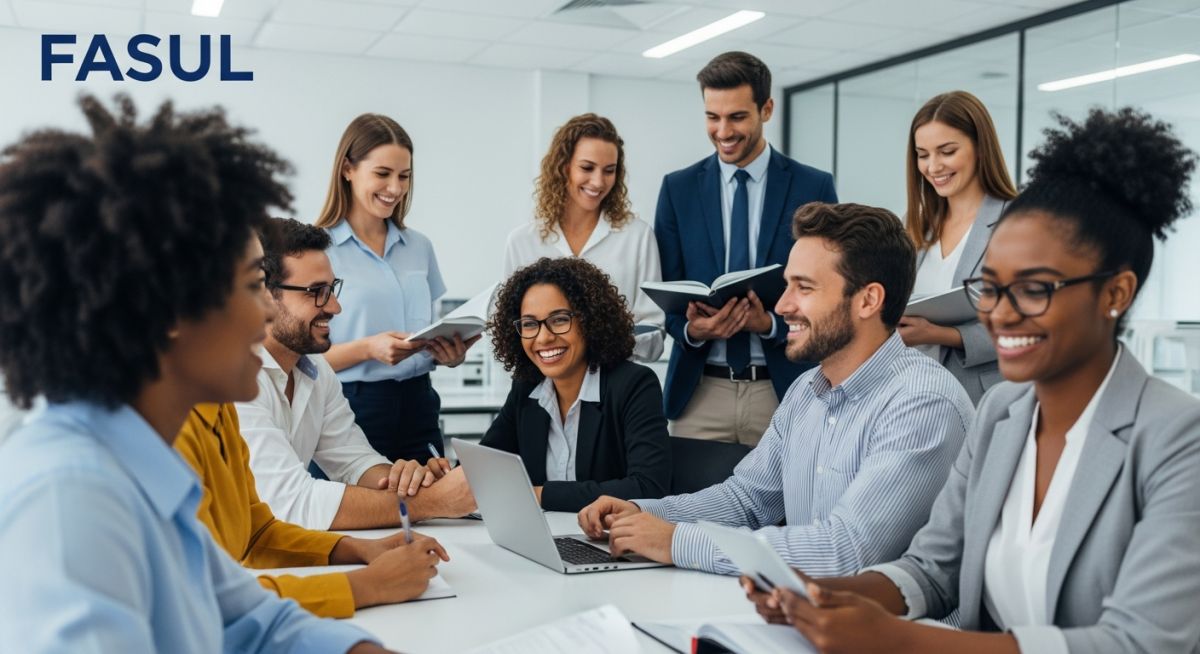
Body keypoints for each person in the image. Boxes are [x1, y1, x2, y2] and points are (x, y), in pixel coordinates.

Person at [749, 109, 1200, 654]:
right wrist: (820, 593)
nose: (1000, 315)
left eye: (1033, 289)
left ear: (1116, 294)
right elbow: (934, 569)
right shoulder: (1001, 413)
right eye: (989, 287)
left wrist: (897, 640)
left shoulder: (1177, 438)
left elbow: (1139, 643)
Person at [0, 95, 387, 653]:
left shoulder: (142, 461)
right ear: (173, 307)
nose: (266, 313)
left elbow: (252, 621)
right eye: (254, 285)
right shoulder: (73, 502)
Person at [578, 202, 974, 576]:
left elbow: (846, 552)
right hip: (807, 617)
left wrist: (676, 542)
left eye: (803, 287)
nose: (781, 306)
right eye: (787, 286)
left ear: (868, 300)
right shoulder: (806, 391)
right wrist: (640, 513)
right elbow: (746, 501)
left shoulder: (923, 403)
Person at [236, 218, 474, 530]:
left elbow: (354, 461)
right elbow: (291, 502)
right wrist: (432, 501)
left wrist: (409, 482)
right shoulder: (231, 380)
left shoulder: (315, 369)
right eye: (316, 292)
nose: (335, 307)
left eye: (332, 289)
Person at [656, 51, 839, 446]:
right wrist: (692, 329)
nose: (723, 130)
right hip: (699, 395)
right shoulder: (678, 190)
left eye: (737, 117)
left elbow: (830, 294)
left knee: (787, 510)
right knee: (685, 507)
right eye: (712, 117)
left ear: (766, 109)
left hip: (786, 391)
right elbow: (668, 297)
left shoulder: (814, 188)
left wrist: (770, 324)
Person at [426, 257, 672, 513]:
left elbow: (648, 488)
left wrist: (534, 495)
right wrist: (441, 476)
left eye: (559, 319)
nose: (544, 337)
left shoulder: (634, 385)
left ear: (589, 320)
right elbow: (483, 472)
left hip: (611, 543)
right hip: (544, 539)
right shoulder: (526, 388)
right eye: (530, 324)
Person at [175, 403, 449, 618]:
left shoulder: (221, 409)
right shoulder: (167, 431)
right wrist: (370, 584)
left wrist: (358, 549)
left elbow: (257, 533)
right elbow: (205, 604)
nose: (261, 338)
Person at [315, 114, 478, 463]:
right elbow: (299, 361)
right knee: (357, 514)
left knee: (435, 512)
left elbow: (424, 333)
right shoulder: (316, 251)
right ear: (347, 169)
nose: (395, 188)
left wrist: (449, 353)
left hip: (419, 404)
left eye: (404, 176)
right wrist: (367, 349)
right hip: (349, 408)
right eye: (383, 174)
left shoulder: (419, 246)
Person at [503, 113, 665, 362]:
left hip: (613, 387)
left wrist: (598, 342)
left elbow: (653, 334)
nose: (598, 182)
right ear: (563, 167)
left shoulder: (637, 236)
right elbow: (513, 332)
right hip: (541, 387)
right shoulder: (522, 241)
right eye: (587, 168)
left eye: (609, 170)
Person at [898, 91, 1018, 403]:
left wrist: (939, 335)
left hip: (980, 398)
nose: (933, 166)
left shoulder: (1018, 222)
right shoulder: (912, 223)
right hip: (912, 394)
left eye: (947, 151)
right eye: (923, 155)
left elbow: (1033, 322)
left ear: (980, 147)